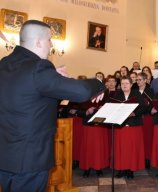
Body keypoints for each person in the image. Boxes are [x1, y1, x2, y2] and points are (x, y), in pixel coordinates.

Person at [0, 20, 105, 192]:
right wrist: (99, 83)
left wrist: (52, 76)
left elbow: (27, 91)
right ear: (39, 42)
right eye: (49, 40)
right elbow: (82, 91)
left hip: (5, 157)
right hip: (29, 161)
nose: (51, 45)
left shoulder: (4, 64)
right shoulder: (39, 68)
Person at [113, 76, 145, 179]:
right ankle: (121, 169)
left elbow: (143, 108)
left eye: (126, 83)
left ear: (131, 84)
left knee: (132, 149)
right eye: (122, 84)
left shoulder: (137, 94)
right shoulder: (117, 95)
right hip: (121, 126)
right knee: (121, 149)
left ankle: (130, 169)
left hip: (134, 125)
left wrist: (134, 113)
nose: (124, 85)